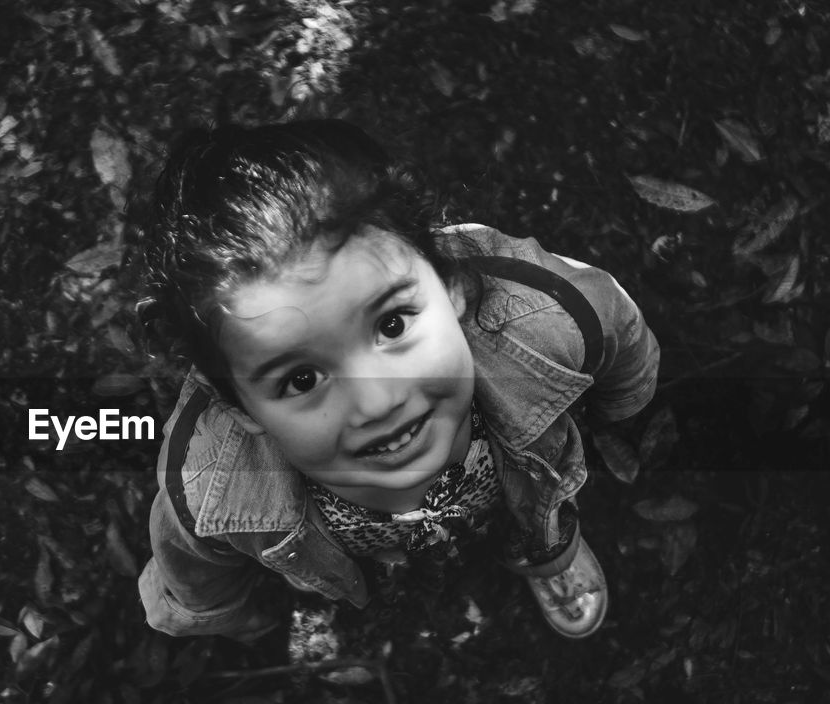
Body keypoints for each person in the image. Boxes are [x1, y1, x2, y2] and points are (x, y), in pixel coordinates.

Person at [132, 119, 659, 642]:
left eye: (391, 325)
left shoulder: (548, 315)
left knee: (536, 515)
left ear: (451, 285)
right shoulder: (208, 484)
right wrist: (225, 613)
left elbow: (619, 332)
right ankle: (404, 565)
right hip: (365, 540)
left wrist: (621, 411)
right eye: (302, 378)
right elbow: (191, 561)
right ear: (240, 409)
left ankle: (547, 551)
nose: (378, 401)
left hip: (509, 481)